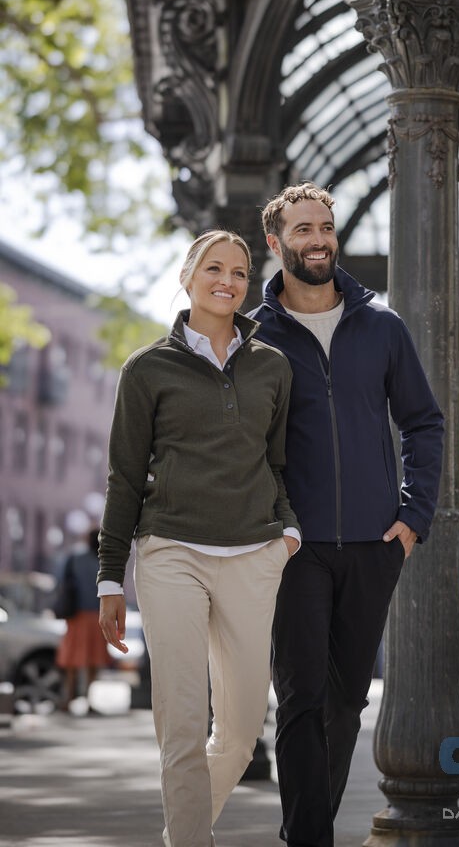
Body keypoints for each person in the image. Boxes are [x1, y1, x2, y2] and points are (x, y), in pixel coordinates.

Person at [249, 182, 444, 847]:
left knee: (346, 702)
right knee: (300, 699)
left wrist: (412, 518)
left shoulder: (380, 327)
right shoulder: (256, 337)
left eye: (324, 227)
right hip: (292, 545)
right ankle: (308, 839)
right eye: (303, 229)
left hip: (372, 544)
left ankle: (307, 830)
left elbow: (422, 422)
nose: (318, 240)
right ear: (276, 245)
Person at [97, 230, 300, 847]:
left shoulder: (272, 366)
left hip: (253, 554)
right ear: (187, 277)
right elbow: (125, 475)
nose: (228, 281)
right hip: (172, 554)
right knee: (181, 723)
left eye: (240, 272)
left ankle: (178, 833)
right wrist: (110, 576)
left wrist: (286, 531)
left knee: (238, 735)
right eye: (214, 268)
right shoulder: (147, 368)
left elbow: (277, 460)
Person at [55, 527, 112, 711]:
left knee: (73, 659)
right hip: (95, 614)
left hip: (78, 615)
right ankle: (86, 700)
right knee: (92, 661)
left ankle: (69, 698)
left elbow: (61, 580)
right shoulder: (104, 559)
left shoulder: (75, 557)